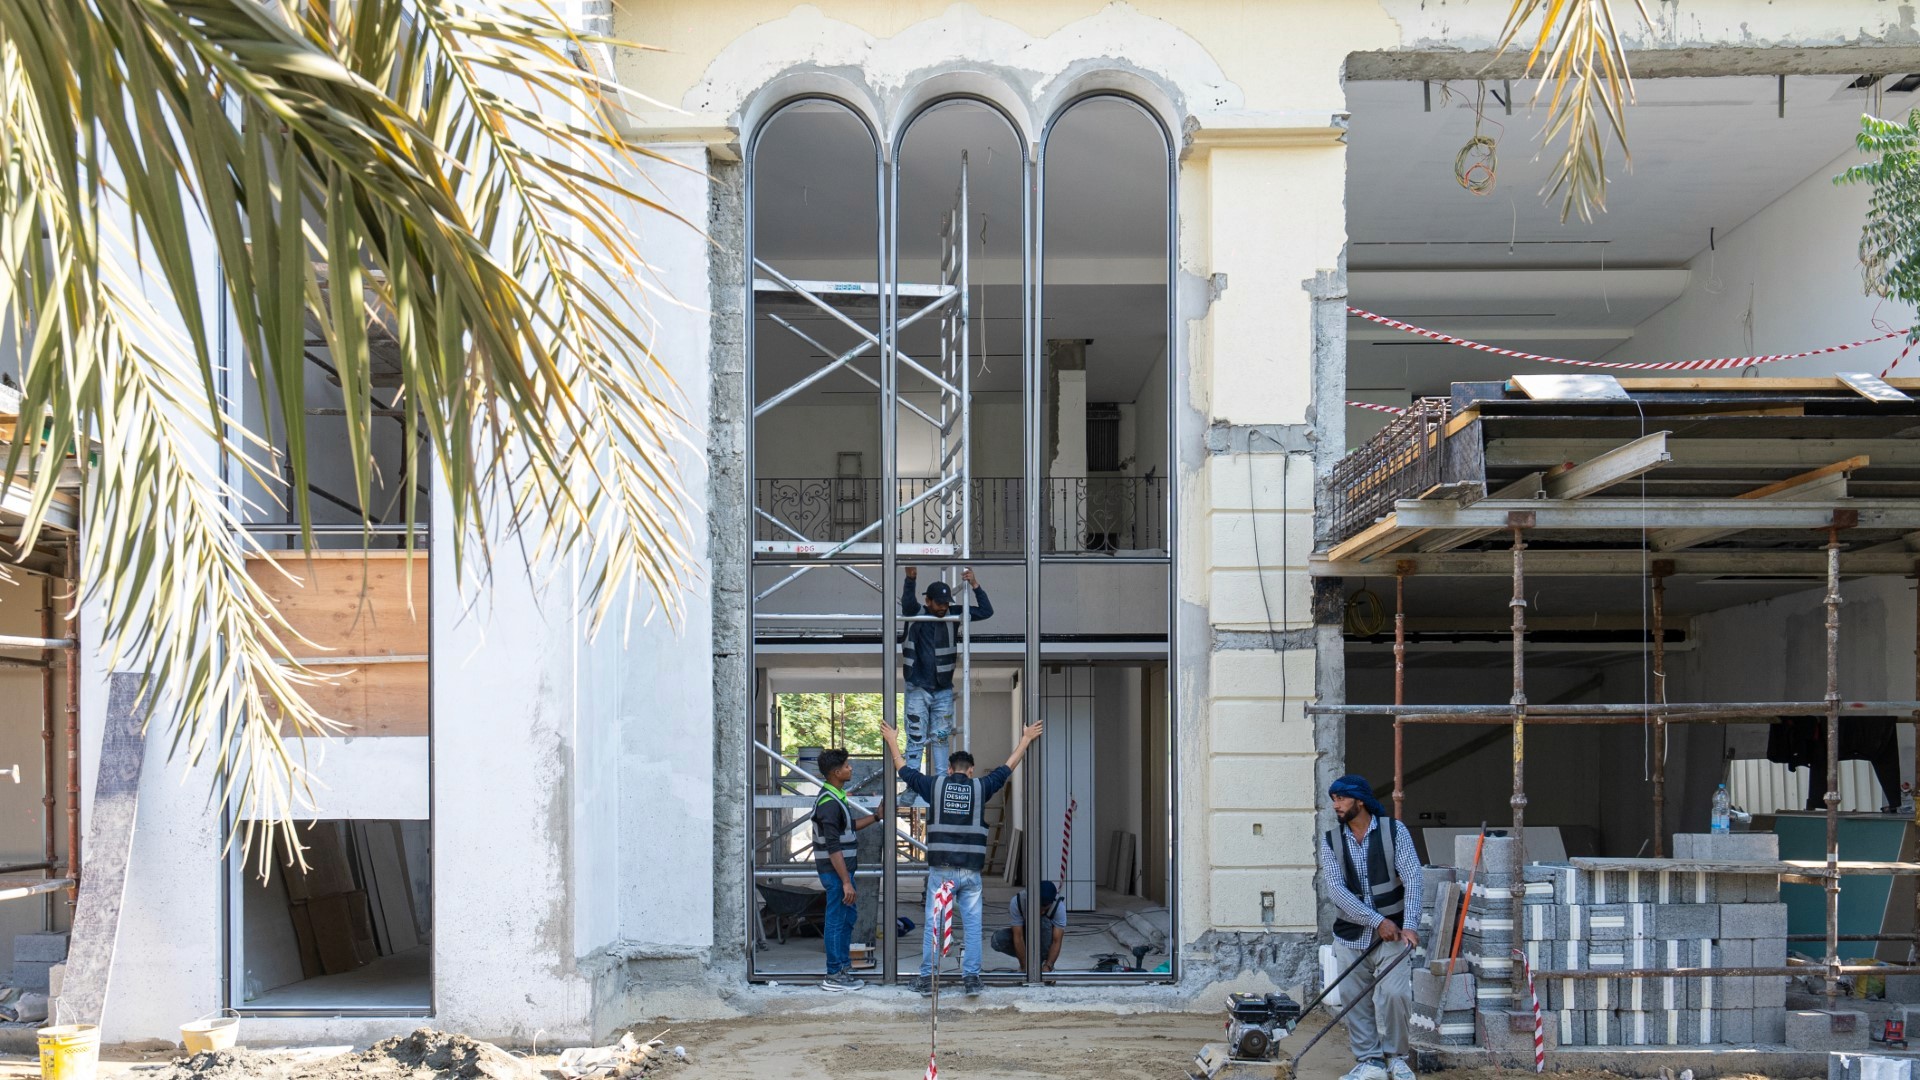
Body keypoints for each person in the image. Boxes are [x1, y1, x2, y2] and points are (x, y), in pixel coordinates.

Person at [881, 717, 1042, 997]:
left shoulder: (935, 786)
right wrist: (1026, 739)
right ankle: (971, 979)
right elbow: (1007, 767)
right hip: (970, 873)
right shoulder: (980, 787)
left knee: (934, 925)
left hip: (941, 872)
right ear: (971, 771)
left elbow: (904, 771)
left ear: (949, 769)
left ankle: (927, 979)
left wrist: (893, 741)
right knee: (972, 925)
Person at [1319, 774, 1423, 1080]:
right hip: (1351, 935)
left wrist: (1410, 925)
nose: (1336, 805)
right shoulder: (1331, 840)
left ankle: (1396, 1058)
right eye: (1334, 799)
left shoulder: (1394, 831)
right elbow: (1337, 892)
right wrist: (1377, 921)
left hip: (1395, 935)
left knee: (1395, 995)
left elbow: (1413, 879)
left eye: (1341, 798)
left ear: (1360, 801)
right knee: (1355, 1000)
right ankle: (1370, 1062)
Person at [899, 567, 992, 786]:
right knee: (915, 739)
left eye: (946, 603)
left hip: (942, 689)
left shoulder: (952, 613)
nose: (943, 607)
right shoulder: (915, 612)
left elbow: (986, 611)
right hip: (917, 687)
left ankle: (941, 786)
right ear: (928, 601)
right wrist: (910, 579)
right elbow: (907, 602)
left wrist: (975, 585)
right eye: (939, 603)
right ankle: (913, 787)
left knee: (941, 740)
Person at [812, 748, 880, 991]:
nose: (850, 768)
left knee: (847, 918)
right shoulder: (829, 803)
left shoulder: (836, 796)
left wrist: (876, 817)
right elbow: (833, 847)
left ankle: (842, 968)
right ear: (835, 772)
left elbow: (849, 826)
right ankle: (834, 973)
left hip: (841, 873)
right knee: (836, 921)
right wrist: (846, 882)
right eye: (847, 766)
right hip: (836, 874)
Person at [991, 880, 1065, 973]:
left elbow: (1056, 941)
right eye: (1039, 908)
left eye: (1045, 908)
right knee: (997, 940)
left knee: (1043, 921)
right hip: (1026, 936)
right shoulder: (1018, 902)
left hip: (1045, 941)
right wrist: (1025, 967)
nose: (1042, 911)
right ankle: (1028, 961)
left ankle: (1043, 961)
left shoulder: (1058, 907)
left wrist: (1048, 966)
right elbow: (1018, 936)